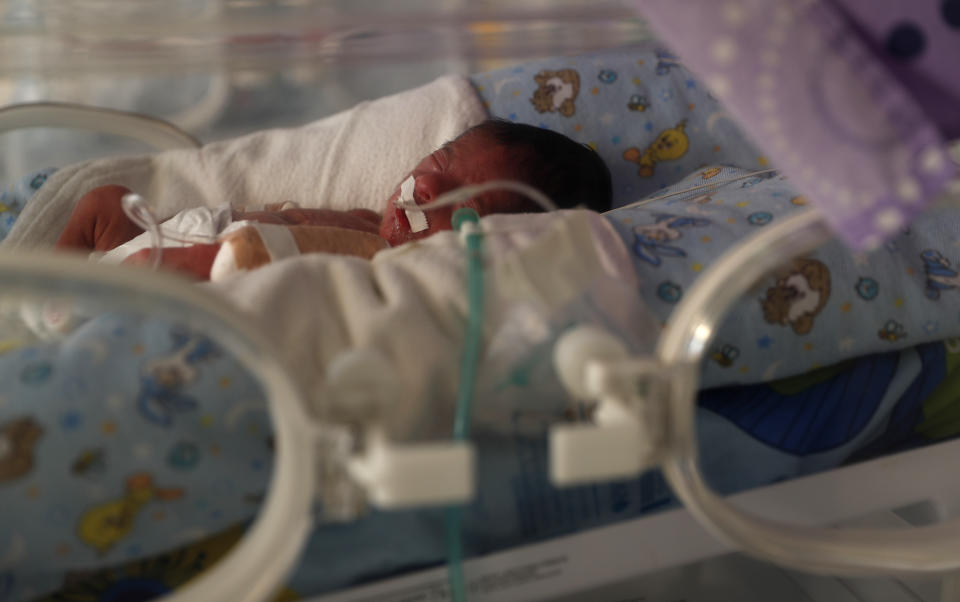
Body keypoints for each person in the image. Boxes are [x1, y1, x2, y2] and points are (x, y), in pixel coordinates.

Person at [55, 119, 613, 279]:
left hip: (204, 265)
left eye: (467, 203)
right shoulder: (366, 221)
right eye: (440, 164)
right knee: (106, 201)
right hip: (158, 239)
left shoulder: (386, 269)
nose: (427, 187)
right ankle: (34, 298)